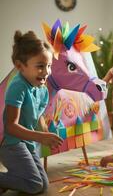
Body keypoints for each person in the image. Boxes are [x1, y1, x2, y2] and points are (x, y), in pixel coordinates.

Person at [0, 30, 63, 194]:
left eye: (49, 66)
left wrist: (46, 132)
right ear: (20, 66)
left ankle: (11, 180)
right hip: (11, 144)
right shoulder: (17, 86)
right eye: (40, 66)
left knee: (42, 185)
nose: (46, 71)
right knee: (34, 184)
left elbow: (38, 113)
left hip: (27, 143)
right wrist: (40, 137)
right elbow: (10, 127)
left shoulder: (42, 89)